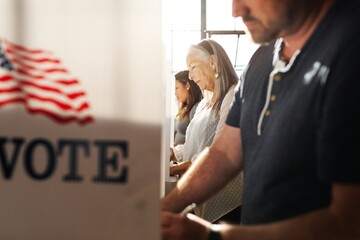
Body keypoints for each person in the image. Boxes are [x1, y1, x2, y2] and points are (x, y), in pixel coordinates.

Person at [161, 0, 360, 239]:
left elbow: (347, 221)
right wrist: (166, 206)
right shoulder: (262, 58)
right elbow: (224, 153)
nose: (236, 11)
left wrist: (213, 236)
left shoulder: (348, 50)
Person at [169, 39, 243, 224]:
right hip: (206, 196)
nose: (191, 76)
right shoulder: (205, 102)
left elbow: (220, 151)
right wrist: (175, 152)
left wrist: (176, 168)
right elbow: (198, 141)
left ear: (212, 62)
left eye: (193, 67)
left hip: (228, 202)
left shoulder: (232, 95)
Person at [173, 70, 202, 147]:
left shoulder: (196, 108)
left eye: (177, 88)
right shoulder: (185, 107)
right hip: (177, 154)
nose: (174, 92)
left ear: (187, 86)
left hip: (184, 156)